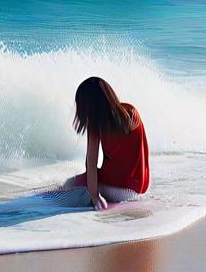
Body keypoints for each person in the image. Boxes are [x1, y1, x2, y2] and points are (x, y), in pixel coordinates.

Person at [63, 76, 150, 210]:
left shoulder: (96, 126)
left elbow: (90, 165)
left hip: (118, 190)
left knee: (68, 184)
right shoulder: (131, 112)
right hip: (140, 188)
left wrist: (95, 196)